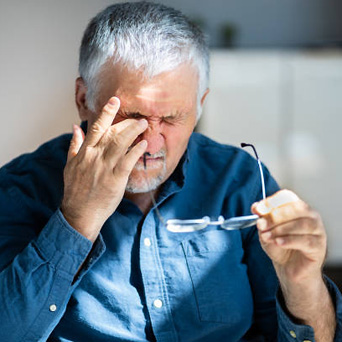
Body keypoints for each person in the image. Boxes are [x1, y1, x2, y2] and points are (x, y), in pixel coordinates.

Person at [0, 2, 341, 341]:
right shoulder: (19, 190)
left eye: (170, 119)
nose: (150, 144)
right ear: (83, 98)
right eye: (132, 117)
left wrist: (304, 287)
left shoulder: (240, 181)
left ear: (200, 106)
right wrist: (76, 219)